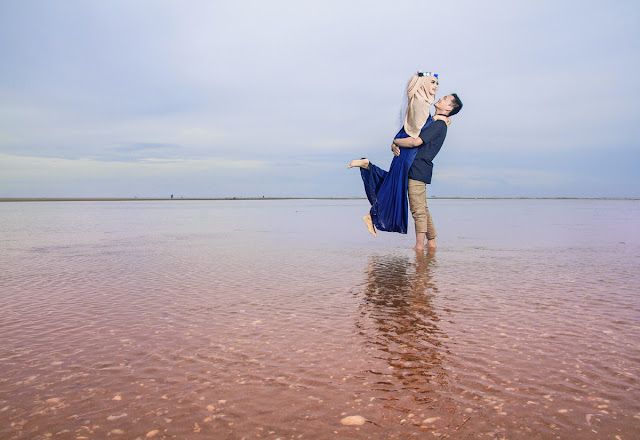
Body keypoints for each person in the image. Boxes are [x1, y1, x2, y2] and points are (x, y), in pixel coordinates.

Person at [348, 71, 447, 237]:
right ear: (422, 84)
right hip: (408, 150)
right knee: (395, 185)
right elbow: (415, 136)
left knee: (394, 182)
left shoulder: (418, 101)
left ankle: (368, 167)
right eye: (432, 82)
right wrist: (397, 141)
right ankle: (372, 215)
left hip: (406, 147)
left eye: (437, 83)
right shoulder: (421, 104)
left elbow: (409, 127)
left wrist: (396, 140)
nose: (436, 87)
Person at [391, 93, 463, 250]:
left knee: (417, 210)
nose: (441, 98)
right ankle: (431, 242)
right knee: (422, 208)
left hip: (418, 168)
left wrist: (395, 141)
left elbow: (416, 141)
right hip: (419, 168)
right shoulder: (437, 121)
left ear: (449, 108)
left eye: (445, 99)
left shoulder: (439, 125)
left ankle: (419, 246)